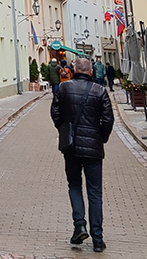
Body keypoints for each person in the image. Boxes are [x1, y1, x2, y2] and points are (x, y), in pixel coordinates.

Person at [51, 57, 114, 253]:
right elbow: (107, 120)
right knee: (95, 193)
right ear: (91, 71)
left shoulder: (64, 88)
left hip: (71, 148)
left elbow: (55, 113)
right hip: (94, 149)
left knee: (75, 186)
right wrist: (101, 137)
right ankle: (97, 239)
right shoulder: (100, 91)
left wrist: (64, 130)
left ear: (74, 69)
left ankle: (79, 225)